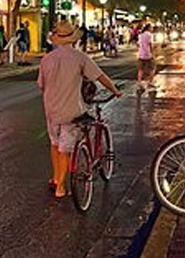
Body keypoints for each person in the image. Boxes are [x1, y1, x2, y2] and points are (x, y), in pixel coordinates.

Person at [38, 20, 121, 198]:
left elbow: (41, 85)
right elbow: (100, 77)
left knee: (54, 144)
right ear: (73, 39)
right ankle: (60, 187)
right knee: (65, 149)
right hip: (72, 110)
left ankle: (55, 177)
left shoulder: (47, 59)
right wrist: (115, 90)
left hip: (51, 109)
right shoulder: (79, 57)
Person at [137, 23, 155, 90]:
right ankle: (150, 82)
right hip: (148, 55)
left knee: (140, 69)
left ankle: (139, 83)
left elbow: (138, 44)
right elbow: (150, 45)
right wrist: (152, 54)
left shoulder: (141, 35)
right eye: (151, 27)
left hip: (141, 54)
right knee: (152, 68)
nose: (152, 29)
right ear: (149, 28)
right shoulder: (149, 35)